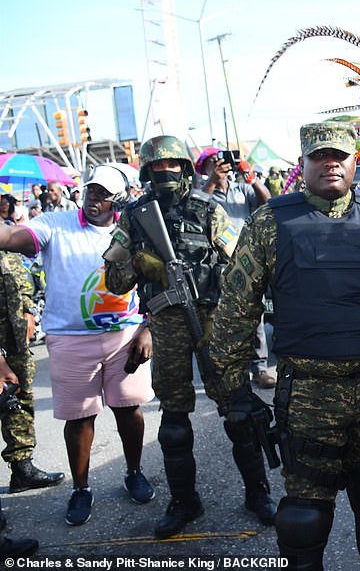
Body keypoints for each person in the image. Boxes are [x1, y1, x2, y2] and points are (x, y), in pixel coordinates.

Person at [209, 122, 360, 571]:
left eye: (339, 155)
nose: (329, 163)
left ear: (355, 162)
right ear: (302, 165)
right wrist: (234, 394)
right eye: (319, 156)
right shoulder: (270, 224)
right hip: (309, 392)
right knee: (304, 514)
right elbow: (236, 310)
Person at [103, 135, 275, 539]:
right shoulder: (134, 217)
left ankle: (258, 493)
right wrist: (141, 262)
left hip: (212, 320)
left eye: (173, 167)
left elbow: (240, 264)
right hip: (166, 323)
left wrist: (243, 322)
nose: (166, 173)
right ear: (146, 173)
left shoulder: (207, 210)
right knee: (175, 422)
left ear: (185, 168)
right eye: (158, 168)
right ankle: (184, 501)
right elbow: (113, 280)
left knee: (236, 412)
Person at [0, 164, 153, 526]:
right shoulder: (56, 224)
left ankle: (133, 472)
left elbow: (156, 282)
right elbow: (12, 238)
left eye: (103, 194)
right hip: (70, 340)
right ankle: (81, 489)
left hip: (125, 336)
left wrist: (148, 328)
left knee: (128, 410)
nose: (94, 199)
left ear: (120, 199)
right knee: (79, 418)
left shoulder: (135, 229)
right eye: (91, 191)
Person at [195, 148, 274, 389]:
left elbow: (267, 202)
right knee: (221, 319)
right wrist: (212, 181)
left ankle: (259, 368)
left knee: (254, 314)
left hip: (247, 260)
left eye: (222, 161)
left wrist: (250, 177)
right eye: (212, 162)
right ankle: (229, 373)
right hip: (215, 265)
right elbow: (197, 210)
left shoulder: (242, 188)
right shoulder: (201, 192)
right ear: (204, 168)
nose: (220, 165)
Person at [0, 244, 64, 496]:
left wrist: (27, 309)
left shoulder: (7, 244)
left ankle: (22, 468)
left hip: (14, 340)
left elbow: (23, 282)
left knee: (18, 400)